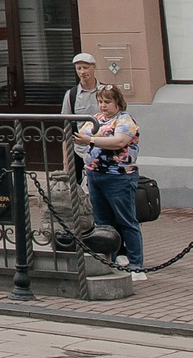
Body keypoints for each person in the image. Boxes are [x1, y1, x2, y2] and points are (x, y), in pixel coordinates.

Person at [75, 82, 145, 276]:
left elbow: (119, 141)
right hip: (95, 174)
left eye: (107, 102)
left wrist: (92, 140)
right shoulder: (96, 119)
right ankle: (109, 260)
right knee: (103, 221)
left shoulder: (124, 120)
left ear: (118, 103)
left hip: (119, 177)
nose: (103, 106)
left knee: (126, 219)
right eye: (100, 101)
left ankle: (136, 263)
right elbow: (81, 134)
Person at [62, 53, 102, 181]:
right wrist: (66, 161)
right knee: (78, 187)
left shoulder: (105, 91)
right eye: (79, 68)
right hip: (80, 151)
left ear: (94, 67)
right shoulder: (71, 95)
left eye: (85, 67)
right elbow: (66, 128)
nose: (82, 72)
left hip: (103, 148)